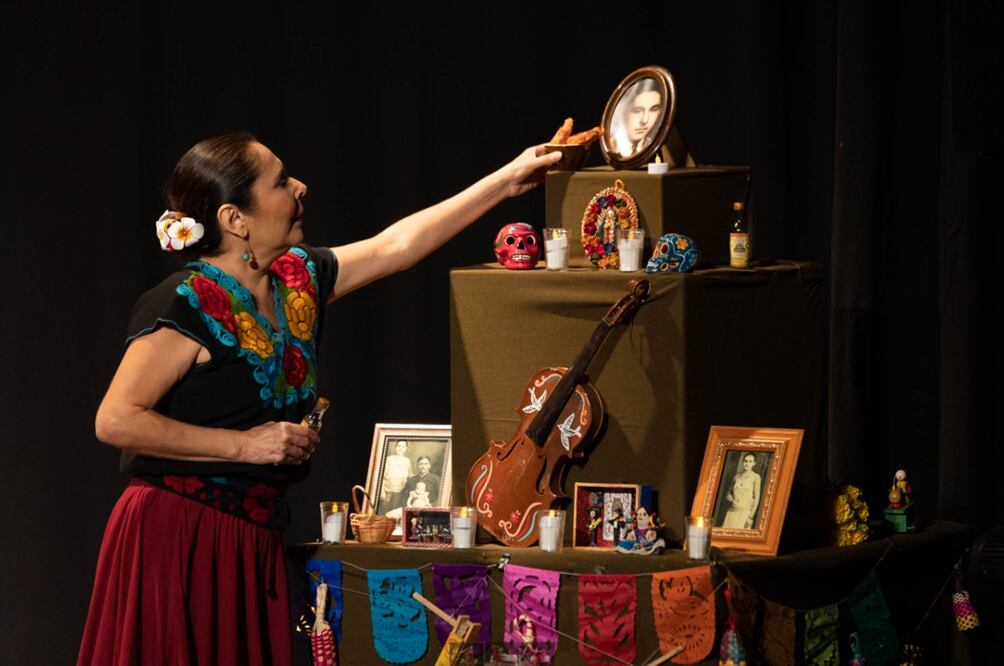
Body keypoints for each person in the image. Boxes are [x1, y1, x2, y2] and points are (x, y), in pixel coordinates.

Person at [77, 132, 562, 665]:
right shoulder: (184, 303)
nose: (300, 187)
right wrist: (247, 447)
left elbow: (395, 247)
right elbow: (117, 418)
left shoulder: (296, 279)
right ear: (235, 219)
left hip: (249, 538)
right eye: (281, 181)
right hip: (179, 540)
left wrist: (507, 180)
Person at [610, 78, 663, 157]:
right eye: (637, 111)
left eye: (653, 109)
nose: (645, 120)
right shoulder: (608, 146)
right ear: (621, 111)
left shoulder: (658, 149)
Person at [721, 453, 762, 529]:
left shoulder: (756, 477)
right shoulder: (737, 476)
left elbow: (757, 498)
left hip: (744, 513)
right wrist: (729, 497)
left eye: (750, 461)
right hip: (731, 511)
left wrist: (750, 516)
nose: (747, 464)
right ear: (742, 462)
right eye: (745, 461)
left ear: (754, 463)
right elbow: (729, 492)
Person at [380, 439, 413, 512]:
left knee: (396, 515)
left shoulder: (407, 461)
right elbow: (380, 476)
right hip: (388, 493)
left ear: (406, 448)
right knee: (386, 514)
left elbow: (410, 475)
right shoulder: (389, 459)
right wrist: (382, 492)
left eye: (403, 446)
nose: (401, 448)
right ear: (395, 447)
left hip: (401, 493)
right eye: (399, 446)